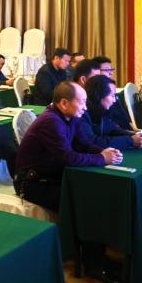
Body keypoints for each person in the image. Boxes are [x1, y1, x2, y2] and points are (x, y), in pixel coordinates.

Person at [15, 82, 122, 212]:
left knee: (99, 187)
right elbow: (67, 158)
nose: (85, 108)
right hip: (32, 183)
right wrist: (102, 158)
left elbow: (82, 144)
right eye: (82, 102)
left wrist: (103, 151)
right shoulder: (51, 121)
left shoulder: (71, 116)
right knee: (89, 199)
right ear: (64, 103)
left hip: (52, 176)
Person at [83, 75, 142, 151]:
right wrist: (131, 141)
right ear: (98, 96)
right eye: (112, 96)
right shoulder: (82, 113)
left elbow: (111, 129)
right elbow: (93, 142)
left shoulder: (101, 110)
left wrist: (136, 136)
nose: (114, 100)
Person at [92, 55, 133, 129]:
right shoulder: (97, 94)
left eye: (111, 69)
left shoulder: (112, 88)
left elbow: (123, 118)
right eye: (106, 70)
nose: (111, 73)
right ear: (96, 72)